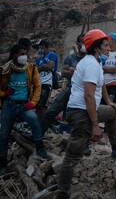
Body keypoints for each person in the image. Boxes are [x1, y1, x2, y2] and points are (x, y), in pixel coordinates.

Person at [56, 29, 116, 199]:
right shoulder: (92, 65)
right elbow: (88, 96)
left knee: (112, 112)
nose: (109, 48)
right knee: (73, 155)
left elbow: (101, 85)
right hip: (80, 112)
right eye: (106, 45)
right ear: (96, 48)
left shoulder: (95, 62)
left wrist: (109, 103)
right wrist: (95, 126)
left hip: (84, 109)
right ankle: (62, 192)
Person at [0, 44, 51, 175]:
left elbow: (37, 86)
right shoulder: (5, 70)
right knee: (4, 134)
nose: (24, 56)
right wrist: (4, 94)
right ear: (14, 55)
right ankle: (2, 163)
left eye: (25, 54)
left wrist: (33, 102)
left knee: (34, 120)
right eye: (21, 54)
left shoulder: (30, 68)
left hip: (24, 105)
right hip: (9, 105)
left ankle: (40, 149)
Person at [41, 34, 86, 136]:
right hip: (70, 88)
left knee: (79, 118)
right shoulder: (71, 58)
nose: (85, 45)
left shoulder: (90, 59)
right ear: (78, 44)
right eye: (83, 42)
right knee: (52, 111)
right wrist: (76, 72)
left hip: (83, 91)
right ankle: (39, 136)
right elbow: (64, 73)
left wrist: (73, 70)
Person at [33, 39, 58, 121]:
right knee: (37, 105)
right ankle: (38, 122)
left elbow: (50, 66)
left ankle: (44, 124)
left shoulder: (52, 55)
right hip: (38, 83)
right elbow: (35, 70)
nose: (38, 49)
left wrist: (41, 68)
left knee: (43, 105)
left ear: (43, 46)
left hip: (47, 83)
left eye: (39, 47)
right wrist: (43, 67)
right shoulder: (39, 59)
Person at [100, 32, 116, 104]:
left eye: (108, 40)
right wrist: (109, 70)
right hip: (102, 86)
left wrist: (103, 67)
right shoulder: (104, 54)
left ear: (113, 41)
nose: (106, 42)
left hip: (113, 85)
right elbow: (99, 69)